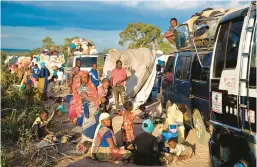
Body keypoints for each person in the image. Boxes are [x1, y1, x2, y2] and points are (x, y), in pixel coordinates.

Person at [76, 71, 105, 153]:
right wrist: (98, 99)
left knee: (95, 127)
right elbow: (86, 98)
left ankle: (92, 144)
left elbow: (96, 96)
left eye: (87, 77)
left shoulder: (91, 86)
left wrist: (98, 99)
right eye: (84, 77)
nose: (86, 79)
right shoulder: (81, 88)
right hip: (88, 110)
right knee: (87, 127)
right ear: (80, 78)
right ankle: (86, 145)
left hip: (95, 109)